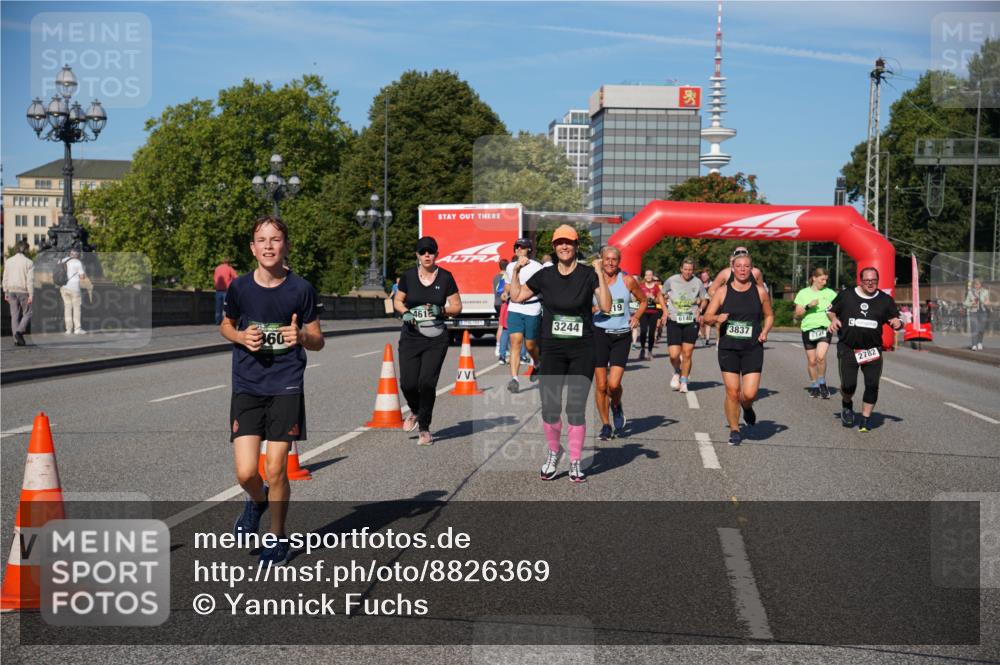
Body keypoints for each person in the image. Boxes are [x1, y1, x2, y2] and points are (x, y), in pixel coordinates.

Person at [221, 216, 324, 564]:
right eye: (261, 240)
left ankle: (277, 538)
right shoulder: (239, 288)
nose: (268, 245)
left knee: (277, 468)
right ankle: (258, 500)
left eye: (275, 239)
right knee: (247, 472)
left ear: (286, 245)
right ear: (252, 248)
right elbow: (226, 325)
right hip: (247, 384)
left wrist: (303, 337)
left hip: (286, 384)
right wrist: (239, 336)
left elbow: (319, 339)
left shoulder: (301, 289)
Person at [511, 224, 611, 483]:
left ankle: (576, 460)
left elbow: (606, 306)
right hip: (553, 349)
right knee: (551, 408)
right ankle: (554, 452)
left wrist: (600, 273)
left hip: (582, 349)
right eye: (559, 243)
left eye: (569, 242)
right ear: (554, 248)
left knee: (575, 408)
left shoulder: (589, 274)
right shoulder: (545, 275)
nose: (564, 246)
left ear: (576, 246)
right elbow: (517, 296)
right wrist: (516, 272)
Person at [394, 236, 463, 445]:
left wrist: (441, 309)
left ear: (436, 254)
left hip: (436, 338)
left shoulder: (445, 277)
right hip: (411, 337)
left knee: (426, 383)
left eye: (430, 252)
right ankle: (415, 410)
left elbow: (457, 306)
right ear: (417, 255)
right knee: (407, 383)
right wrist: (405, 312)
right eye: (423, 252)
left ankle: (424, 428)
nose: (427, 255)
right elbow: (398, 300)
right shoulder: (408, 277)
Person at [704, 254, 774, 446]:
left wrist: (765, 331)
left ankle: (747, 406)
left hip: (752, 347)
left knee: (749, 394)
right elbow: (707, 316)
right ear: (732, 269)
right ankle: (735, 429)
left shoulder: (760, 292)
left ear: (751, 269)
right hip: (729, 347)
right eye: (739, 266)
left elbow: (769, 315)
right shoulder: (722, 291)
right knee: (732, 391)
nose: (742, 269)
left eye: (746, 266)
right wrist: (716, 319)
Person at [827, 267, 903, 433]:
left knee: (872, 385)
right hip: (848, 348)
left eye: (874, 280)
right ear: (860, 281)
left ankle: (865, 418)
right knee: (848, 386)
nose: (870, 283)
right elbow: (831, 311)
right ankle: (847, 404)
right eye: (867, 280)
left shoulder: (885, 300)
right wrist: (833, 320)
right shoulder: (847, 295)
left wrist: (897, 322)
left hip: (872, 350)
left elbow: (895, 318)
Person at [592, 246, 647, 440]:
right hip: (599, 334)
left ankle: (616, 405)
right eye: (606, 259)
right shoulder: (593, 280)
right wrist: (592, 308)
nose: (610, 262)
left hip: (621, 336)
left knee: (613, 385)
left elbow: (643, 301)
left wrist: (637, 316)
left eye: (614, 259)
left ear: (619, 262)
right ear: (600, 259)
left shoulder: (627, 281)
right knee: (600, 385)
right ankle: (605, 425)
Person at [504, 238, 544, 393]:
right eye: (517, 247)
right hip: (514, 307)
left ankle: (537, 363)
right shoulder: (510, 267)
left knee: (530, 345)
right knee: (515, 342)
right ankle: (514, 379)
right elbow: (507, 284)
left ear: (529, 250)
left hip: (532, 307)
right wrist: (506, 292)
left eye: (523, 247)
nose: (520, 249)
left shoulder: (537, 267)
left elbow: (542, 286)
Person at [664, 258, 708, 394]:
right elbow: (660, 295)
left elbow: (705, 298)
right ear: (681, 269)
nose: (688, 272)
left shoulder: (698, 282)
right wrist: (665, 311)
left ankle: (683, 381)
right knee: (673, 355)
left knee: (687, 353)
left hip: (690, 321)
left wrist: (699, 310)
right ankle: (677, 370)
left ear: (693, 270)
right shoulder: (671, 280)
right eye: (685, 269)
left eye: (690, 269)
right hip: (674, 320)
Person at [794, 267, 838, 398]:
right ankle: (814, 385)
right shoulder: (803, 293)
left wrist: (834, 319)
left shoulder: (830, 293)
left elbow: (835, 310)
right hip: (808, 328)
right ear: (814, 278)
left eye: (826, 280)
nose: (824, 282)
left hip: (824, 327)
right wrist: (809, 305)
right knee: (812, 361)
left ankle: (822, 383)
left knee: (820, 356)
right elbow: (798, 313)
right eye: (822, 279)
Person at [3, 240, 34, 346]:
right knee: (28, 313)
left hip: (11, 290)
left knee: (14, 315)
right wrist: (31, 295)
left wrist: (5, 291)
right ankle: (19, 332)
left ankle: (16, 340)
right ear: (25, 249)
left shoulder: (9, 261)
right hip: (23, 290)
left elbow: (5, 277)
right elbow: (30, 281)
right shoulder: (29, 262)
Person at [637, 269, 667, 360]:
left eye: (650, 275)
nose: (648, 277)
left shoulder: (656, 287)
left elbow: (661, 300)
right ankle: (642, 349)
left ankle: (649, 351)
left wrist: (653, 298)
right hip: (643, 311)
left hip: (653, 312)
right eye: (647, 275)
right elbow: (636, 298)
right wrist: (643, 297)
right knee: (643, 331)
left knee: (651, 332)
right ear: (644, 276)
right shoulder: (640, 286)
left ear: (652, 276)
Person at [59, 248, 87, 335]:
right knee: (76, 308)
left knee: (67, 308)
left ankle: (68, 329)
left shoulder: (62, 260)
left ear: (70, 254)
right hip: (74, 288)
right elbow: (82, 277)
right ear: (77, 254)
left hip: (63, 287)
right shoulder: (78, 262)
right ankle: (77, 329)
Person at [964, 279, 990, 351]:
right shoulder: (970, 292)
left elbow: (987, 301)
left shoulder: (985, 291)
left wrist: (987, 302)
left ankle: (979, 343)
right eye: (975, 284)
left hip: (983, 312)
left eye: (977, 284)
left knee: (981, 329)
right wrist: (971, 304)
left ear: (981, 284)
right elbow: (965, 303)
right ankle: (974, 345)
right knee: (974, 328)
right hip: (973, 312)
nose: (976, 285)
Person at [213, 257, 238, 325]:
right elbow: (236, 278)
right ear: (228, 262)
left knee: (218, 307)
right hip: (226, 291)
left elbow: (215, 278)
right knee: (226, 307)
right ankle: (225, 322)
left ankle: (217, 320)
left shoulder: (217, 268)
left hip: (218, 290)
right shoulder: (229, 268)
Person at [493, 259, 508, 359]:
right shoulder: (506, 277)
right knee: (504, 327)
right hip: (503, 303)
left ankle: (499, 346)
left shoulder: (495, 277)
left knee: (500, 325)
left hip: (496, 302)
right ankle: (501, 347)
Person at [698, 269, 714, 346]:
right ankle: (702, 335)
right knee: (701, 322)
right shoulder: (699, 284)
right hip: (701, 305)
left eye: (705, 276)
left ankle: (707, 339)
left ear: (708, 276)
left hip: (710, 305)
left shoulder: (712, 284)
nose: (704, 277)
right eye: (702, 276)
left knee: (708, 322)